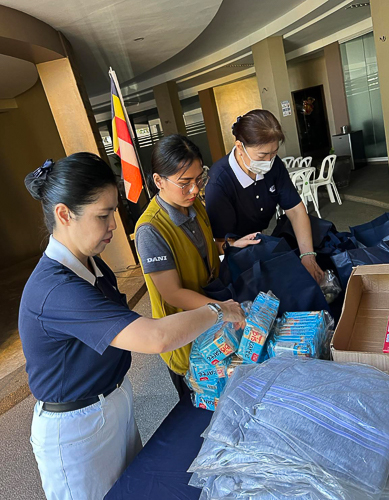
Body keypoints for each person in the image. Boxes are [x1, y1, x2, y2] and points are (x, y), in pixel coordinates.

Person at [19, 153, 244, 500]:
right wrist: (218, 311)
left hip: (112, 402)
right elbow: (155, 338)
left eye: (114, 213)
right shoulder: (56, 289)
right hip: (76, 426)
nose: (114, 226)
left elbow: (135, 326)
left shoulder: (91, 265)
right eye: (103, 215)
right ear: (64, 214)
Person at [135, 135, 259, 397]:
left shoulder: (192, 204)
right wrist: (221, 309)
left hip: (213, 316)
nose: (194, 189)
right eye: (184, 183)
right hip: (187, 333)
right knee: (198, 406)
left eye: (198, 179)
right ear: (158, 181)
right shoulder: (151, 229)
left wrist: (228, 246)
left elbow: (198, 245)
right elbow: (172, 293)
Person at [204, 109, 324, 284]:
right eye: (262, 155)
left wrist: (308, 255)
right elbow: (222, 242)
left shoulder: (275, 166)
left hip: (259, 241)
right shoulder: (219, 181)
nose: (268, 161)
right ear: (240, 147)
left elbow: (296, 211)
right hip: (234, 252)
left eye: (274, 153)